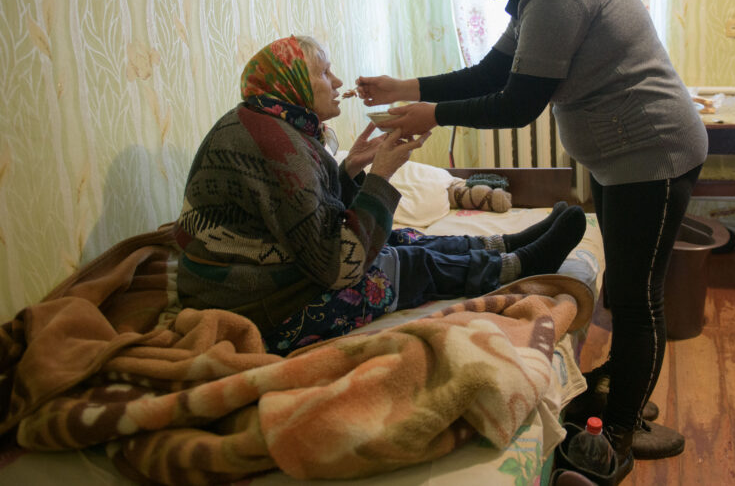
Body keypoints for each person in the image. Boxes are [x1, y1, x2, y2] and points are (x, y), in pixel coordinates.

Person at [356, 0, 708, 481]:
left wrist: (432, 114)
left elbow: (518, 103)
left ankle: (620, 430)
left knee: (637, 295)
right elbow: (491, 72)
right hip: (624, 158)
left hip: (654, 155)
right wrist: (404, 87)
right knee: (627, 286)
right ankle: (625, 390)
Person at [173, 35, 586, 354]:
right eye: (324, 74)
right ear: (293, 84)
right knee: (397, 265)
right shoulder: (280, 147)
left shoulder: (269, 125)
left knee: (399, 237)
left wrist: (350, 169)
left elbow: (302, 214)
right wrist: (382, 177)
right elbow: (340, 267)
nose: (336, 82)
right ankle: (514, 268)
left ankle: (502, 245)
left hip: (254, 277)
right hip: (260, 302)